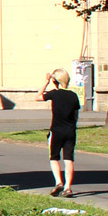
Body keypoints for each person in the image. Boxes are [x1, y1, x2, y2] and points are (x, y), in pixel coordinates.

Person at [37, 68, 80, 196]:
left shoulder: (54, 94)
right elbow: (76, 115)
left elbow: (38, 97)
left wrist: (46, 82)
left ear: (55, 81)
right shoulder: (73, 95)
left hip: (56, 130)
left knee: (54, 157)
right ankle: (68, 187)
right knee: (69, 159)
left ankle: (59, 182)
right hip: (70, 131)